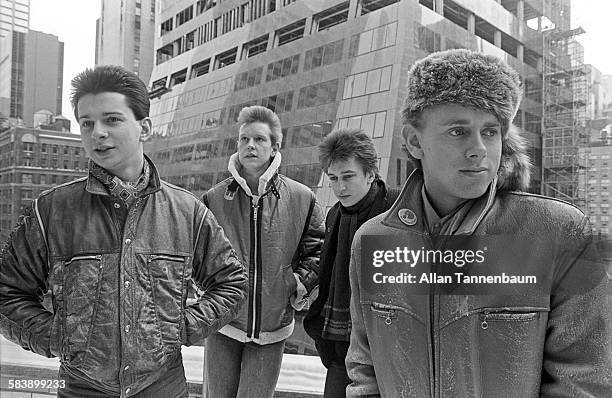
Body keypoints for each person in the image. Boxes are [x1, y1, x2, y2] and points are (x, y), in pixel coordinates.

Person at [345, 49, 612, 397]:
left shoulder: (556, 232)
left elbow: (584, 379)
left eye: (490, 131)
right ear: (414, 141)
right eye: (458, 131)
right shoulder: (373, 241)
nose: (479, 149)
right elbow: (365, 368)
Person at [0, 65, 248, 397]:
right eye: (86, 123)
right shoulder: (53, 210)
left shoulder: (187, 211)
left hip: (164, 387)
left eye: (112, 119)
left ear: (144, 126)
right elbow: (7, 292)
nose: (97, 132)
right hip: (80, 388)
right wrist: (58, 336)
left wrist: (181, 328)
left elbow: (231, 283)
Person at [202, 105, 325, 398]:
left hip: (272, 327)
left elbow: (318, 250)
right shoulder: (215, 198)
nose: (250, 146)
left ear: (274, 148)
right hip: (223, 322)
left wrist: (296, 283)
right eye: (244, 139)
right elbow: (198, 255)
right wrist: (210, 292)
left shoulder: (302, 197)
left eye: (259, 139)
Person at [303, 128, 399, 398]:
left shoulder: (397, 209)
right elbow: (328, 270)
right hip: (341, 346)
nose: (340, 187)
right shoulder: (334, 214)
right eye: (333, 178)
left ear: (370, 174)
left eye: (348, 177)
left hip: (388, 347)